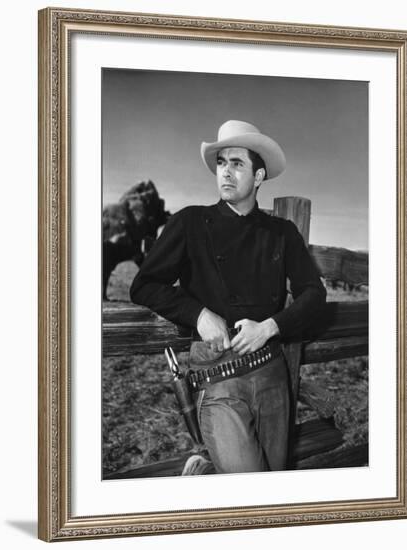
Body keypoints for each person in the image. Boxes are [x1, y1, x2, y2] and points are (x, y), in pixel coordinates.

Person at [130, 120, 326, 474]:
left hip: (271, 373)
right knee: (247, 486)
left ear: (259, 175)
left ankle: (206, 477)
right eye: (222, 163)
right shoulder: (191, 222)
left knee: (274, 480)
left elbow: (314, 294)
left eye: (237, 164)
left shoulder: (282, 232)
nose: (226, 172)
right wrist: (198, 314)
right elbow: (144, 285)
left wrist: (269, 327)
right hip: (217, 373)